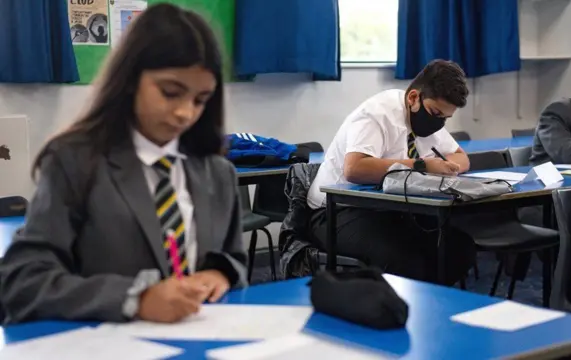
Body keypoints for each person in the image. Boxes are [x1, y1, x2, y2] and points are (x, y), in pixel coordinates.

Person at [0, 4, 247, 324]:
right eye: (170, 92)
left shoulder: (217, 172)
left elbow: (233, 259)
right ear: (131, 79)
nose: (186, 113)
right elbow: (22, 280)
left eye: (200, 100)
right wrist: (136, 299)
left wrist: (220, 272)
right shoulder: (74, 161)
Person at [306, 59, 475, 284]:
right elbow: (355, 168)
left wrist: (447, 167)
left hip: (388, 208)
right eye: (436, 114)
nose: (440, 123)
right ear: (414, 98)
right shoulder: (376, 114)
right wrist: (422, 165)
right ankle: (401, 313)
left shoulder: (429, 118)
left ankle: (430, 309)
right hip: (336, 210)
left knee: (457, 248)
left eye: (446, 118)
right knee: (403, 259)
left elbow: (461, 158)